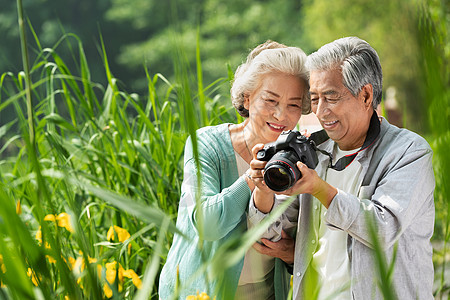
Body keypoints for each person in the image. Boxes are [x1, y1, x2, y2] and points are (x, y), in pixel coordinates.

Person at [248, 36, 435, 300]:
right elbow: (268, 234)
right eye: (314, 99)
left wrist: (318, 188)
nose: (321, 112)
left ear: (366, 95)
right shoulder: (316, 153)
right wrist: (264, 189)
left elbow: (382, 229)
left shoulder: (408, 152)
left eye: (331, 97)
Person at [158, 40, 311, 300]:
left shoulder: (298, 155)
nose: (280, 115)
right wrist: (250, 178)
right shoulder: (206, 144)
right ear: (247, 98)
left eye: (293, 105)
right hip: (199, 292)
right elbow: (207, 225)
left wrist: (292, 252)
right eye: (270, 100)